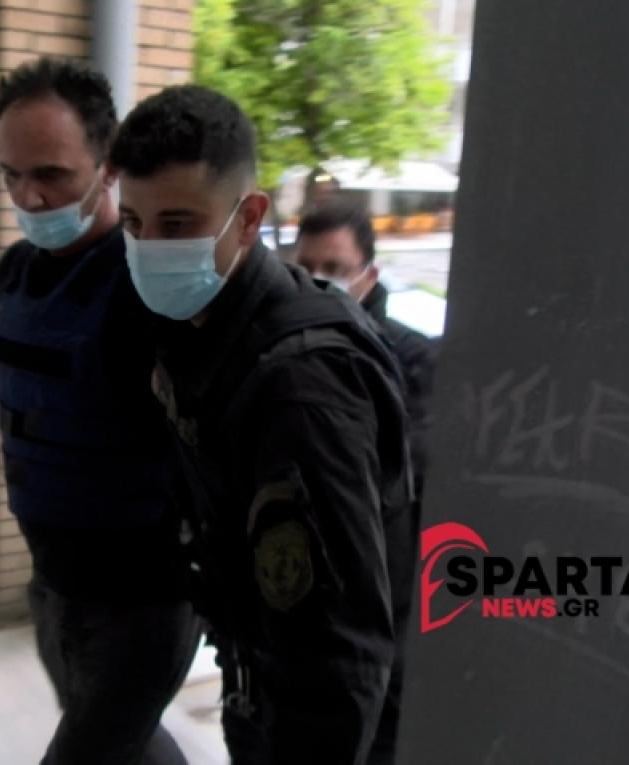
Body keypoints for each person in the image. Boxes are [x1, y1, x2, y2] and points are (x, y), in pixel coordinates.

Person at [110, 85, 417, 764]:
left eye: (177, 224)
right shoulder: (200, 330)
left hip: (319, 723)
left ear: (249, 218)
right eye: (132, 222)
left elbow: (341, 652)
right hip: (258, 678)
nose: (148, 247)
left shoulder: (301, 384)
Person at [0, 57, 197, 765]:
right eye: (11, 174)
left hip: (143, 600)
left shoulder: (148, 283)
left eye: (51, 174)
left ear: (108, 168)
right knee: (128, 747)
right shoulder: (16, 272)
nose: (29, 196)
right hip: (54, 584)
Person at [295, 200, 437, 500]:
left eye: (334, 269)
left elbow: (414, 463)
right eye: (305, 268)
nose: (316, 281)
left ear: (369, 277)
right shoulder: (280, 346)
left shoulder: (411, 357)